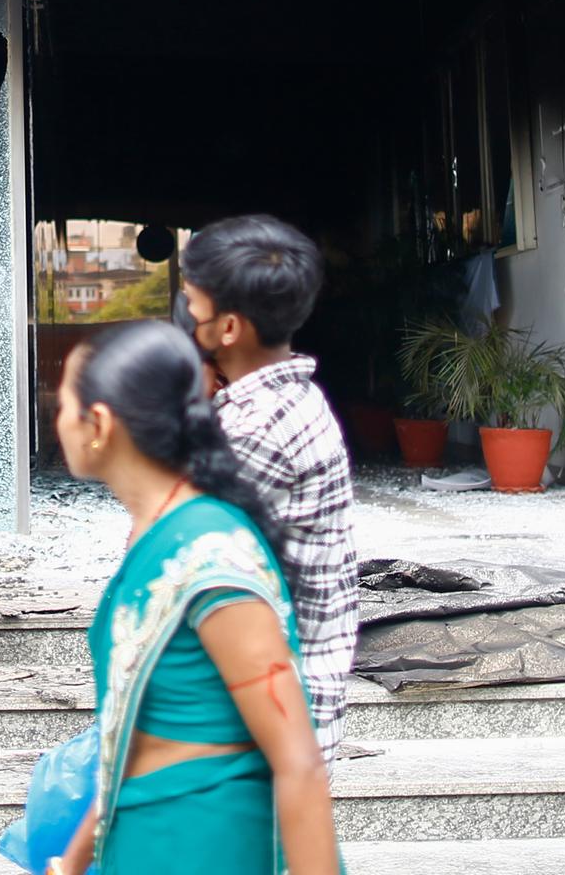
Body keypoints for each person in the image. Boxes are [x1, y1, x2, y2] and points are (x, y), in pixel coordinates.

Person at [54, 322, 339, 875]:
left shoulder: (211, 552)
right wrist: (73, 862)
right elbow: (129, 738)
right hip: (142, 840)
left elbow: (298, 762)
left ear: (99, 424)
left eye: (64, 402)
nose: (57, 418)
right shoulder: (156, 533)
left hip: (206, 842)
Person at [180, 215, 357, 765]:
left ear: (227, 329)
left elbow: (182, 555)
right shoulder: (288, 401)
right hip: (276, 708)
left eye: (192, 302)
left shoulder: (253, 431)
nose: (185, 315)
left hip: (254, 727)